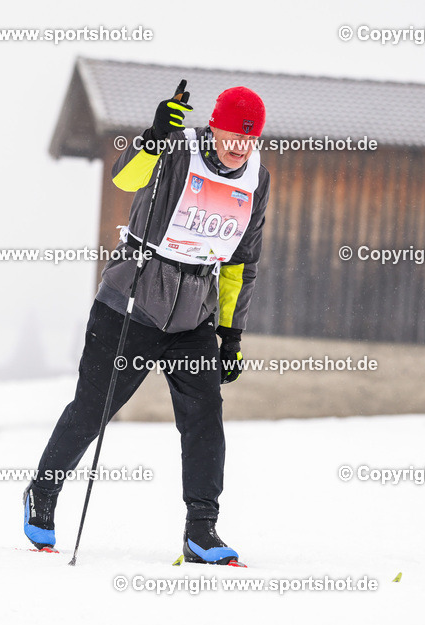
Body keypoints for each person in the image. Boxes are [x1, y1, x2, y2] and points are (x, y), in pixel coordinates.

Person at [24, 81, 270, 564]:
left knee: (204, 419)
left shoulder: (257, 179)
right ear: (214, 127)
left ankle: (201, 530)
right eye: (232, 135)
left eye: (250, 138)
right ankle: (43, 491)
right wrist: (153, 137)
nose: (240, 147)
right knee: (92, 409)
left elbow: (242, 260)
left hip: (194, 316)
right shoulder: (177, 150)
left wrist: (230, 333)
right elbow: (125, 178)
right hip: (131, 302)